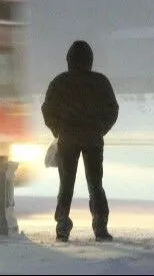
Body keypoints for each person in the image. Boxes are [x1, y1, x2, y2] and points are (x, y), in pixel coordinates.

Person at [41, 40, 119, 243]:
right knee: (95, 184)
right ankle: (100, 225)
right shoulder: (100, 82)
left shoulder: (59, 82)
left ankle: (63, 225)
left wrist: (57, 130)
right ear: (90, 60)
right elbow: (112, 109)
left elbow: (47, 110)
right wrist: (100, 129)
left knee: (66, 184)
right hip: (93, 140)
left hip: (67, 139)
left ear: (69, 60)